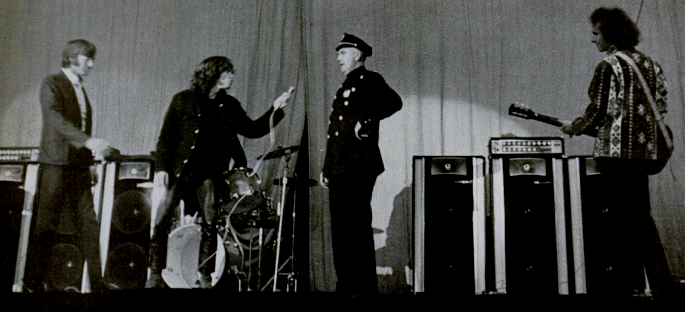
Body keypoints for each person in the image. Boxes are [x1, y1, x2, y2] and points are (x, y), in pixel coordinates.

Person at [146, 56, 293, 289]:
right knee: (160, 219)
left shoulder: (230, 105)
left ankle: (204, 276)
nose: (232, 77)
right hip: (181, 172)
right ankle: (154, 275)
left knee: (210, 223)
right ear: (212, 73)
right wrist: (162, 170)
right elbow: (165, 139)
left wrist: (275, 109)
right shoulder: (183, 100)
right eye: (227, 72)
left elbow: (253, 129)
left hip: (209, 173)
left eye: (232, 73)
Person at [561, 7, 672, 295]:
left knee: (619, 223)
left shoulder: (608, 66)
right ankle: (660, 285)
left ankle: (628, 286)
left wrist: (575, 127)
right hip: (643, 156)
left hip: (615, 157)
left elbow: (597, 112)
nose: (592, 39)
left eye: (596, 33)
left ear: (610, 34)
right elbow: (660, 107)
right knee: (641, 219)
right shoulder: (650, 64)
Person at [24, 39, 111, 293]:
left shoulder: (79, 89)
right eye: (87, 59)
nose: (91, 64)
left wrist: (89, 161)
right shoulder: (52, 83)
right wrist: (88, 141)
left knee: (88, 224)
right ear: (72, 57)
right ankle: (33, 283)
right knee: (46, 226)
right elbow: (55, 120)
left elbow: (81, 125)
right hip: (56, 164)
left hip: (78, 167)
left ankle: (97, 284)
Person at [319, 33, 402, 295]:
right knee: (340, 231)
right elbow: (335, 134)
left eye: (342, 53)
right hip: (339, 167)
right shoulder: (344, 87)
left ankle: (364, 289)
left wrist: (365, 120)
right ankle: (346, 286)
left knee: (356, 228)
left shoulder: (370, 80)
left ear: (357, 54)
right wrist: (327, 166)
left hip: (358, 165)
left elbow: (394, 102)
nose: (337, 58)